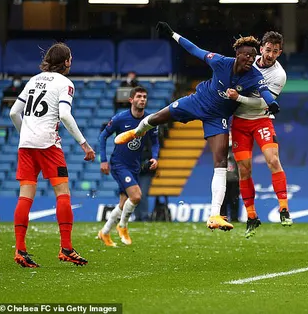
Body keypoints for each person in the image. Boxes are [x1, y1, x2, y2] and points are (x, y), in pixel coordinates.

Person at [114, 21, 280, 232]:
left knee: (220, 162)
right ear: (237, 54)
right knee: (156, 118)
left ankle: (214, 215)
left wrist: (272, 103)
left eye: (253, 56)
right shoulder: (221, 62)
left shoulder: (254, 76)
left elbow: (264, 92)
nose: (250, 59)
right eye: (247, 55)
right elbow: (194, 49)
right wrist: (173, 34)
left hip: (217, 117)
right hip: (197, 102)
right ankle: (134, 133)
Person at [9, 42, 95, 267]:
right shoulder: (65, 83)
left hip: (26, 145)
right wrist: (84, 144)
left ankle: (20, 250)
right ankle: (66, 248)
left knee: (25, 196)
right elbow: (65, 115)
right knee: (62, 193)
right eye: (70, 58)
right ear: (66, 61)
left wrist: (25, 133)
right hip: (48, 145)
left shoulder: (34, 80)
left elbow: (13, 112)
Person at [226, 31, 292, 238]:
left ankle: (283, 209)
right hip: (239, 123)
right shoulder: (247, 60)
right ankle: (252, 216)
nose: (270, 54)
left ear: (279, 52)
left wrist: (239, 98)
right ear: (260, 48)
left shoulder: (279, 75)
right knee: (244, 170)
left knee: (273, 160)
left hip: (262, 119)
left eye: (275, 51)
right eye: (268, 49)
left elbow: (265, 103)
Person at [97, 86, 159, 246]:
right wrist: (103, 160)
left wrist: (155, 157)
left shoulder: (149, 120)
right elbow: (103, 136)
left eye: (145, 96)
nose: (142, 99)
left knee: (123, 203)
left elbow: (155, 141)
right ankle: (122, 226)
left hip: (135, 166)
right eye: (139, 96)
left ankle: (104, 232)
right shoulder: (120, 118)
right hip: (119, 164)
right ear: (131, 100)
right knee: (137, 196)